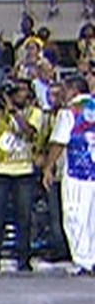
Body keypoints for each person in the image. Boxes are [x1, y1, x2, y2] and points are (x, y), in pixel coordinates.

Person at [0, 79, 43, 272]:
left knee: (23, 217)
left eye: (21, 91)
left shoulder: (35, 113)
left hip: (23, 169)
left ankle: (23, 259)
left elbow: (29, 133)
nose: (17, 95)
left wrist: (13, 111)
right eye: (14, 92)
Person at [44, 75, 95, 275]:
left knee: (74, 216)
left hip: (76, 171)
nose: (62, 94)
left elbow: (60, 141)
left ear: (74, 90)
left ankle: (83, 260)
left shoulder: (69, 112)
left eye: (64, 89)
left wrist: (48, 167)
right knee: (92, 218)